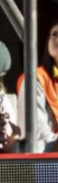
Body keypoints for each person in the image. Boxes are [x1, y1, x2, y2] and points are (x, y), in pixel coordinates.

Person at [16, 19, 58, 153]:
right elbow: (38, 130)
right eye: (54, 34)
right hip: (45, 158)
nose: (57, 39)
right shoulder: (34, 79)